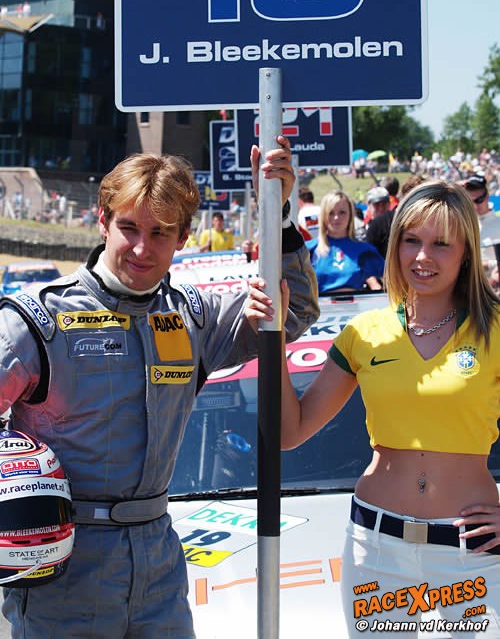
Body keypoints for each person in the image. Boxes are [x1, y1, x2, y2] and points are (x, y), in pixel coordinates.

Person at [0, 136, 319, 638]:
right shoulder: (38, 320)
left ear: (184, 236)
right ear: (102, 221)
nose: (141, 248)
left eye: (160, 233)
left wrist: (276, 216)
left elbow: (295, 309)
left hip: (159, 561)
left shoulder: (193, 316)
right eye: (128, 228)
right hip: (63, 566)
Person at [279, 180, 500, 636]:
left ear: (465, 251)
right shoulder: (364, 333)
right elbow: (290, 432)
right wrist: (274, 338)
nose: (422, 257)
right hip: (375, 547)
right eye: (411, 240)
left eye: (441, 244)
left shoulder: (493, 330)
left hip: (472, 552)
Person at [306, 190, 384, 294]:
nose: (336, 218)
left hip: (357, 303)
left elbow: (392, 279)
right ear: (323, 216)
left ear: (350, 215)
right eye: (331, 213)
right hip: (320, 303)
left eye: (342, 212)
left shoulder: (365, 251)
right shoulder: (309, 250)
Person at [366, 174, 426, 258]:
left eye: (383, 204)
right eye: (376, 204)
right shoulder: (378, 225)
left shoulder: (434, 224)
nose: (381, 208)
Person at [463, 174, 500, 290]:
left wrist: (492, 267)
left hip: (494, 288)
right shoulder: (465, 224)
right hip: (470, 286)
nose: (475, 205)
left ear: (487, 196)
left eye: (479, 200)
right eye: (471, 201)